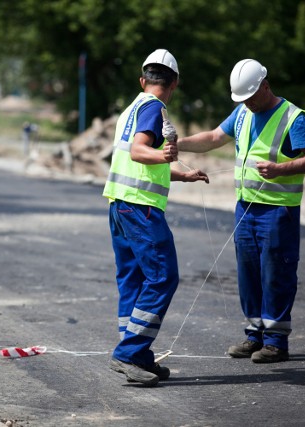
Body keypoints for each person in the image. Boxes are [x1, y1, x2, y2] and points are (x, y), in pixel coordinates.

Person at [178, 59, 305, 363]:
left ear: (265, 86)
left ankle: (275, 342)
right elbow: (214, 137)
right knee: (248, 274)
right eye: (242, 99)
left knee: (276, 273)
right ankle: (253, 334)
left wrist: (280, 169)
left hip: (278, 211)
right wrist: (179, 145)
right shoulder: (243, 113)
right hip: (245, 207)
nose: (246, 103)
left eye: (250, 97)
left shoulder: (292, 118)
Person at [103, 49, 209, 385]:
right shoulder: (154, 108)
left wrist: (181, 174)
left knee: (133, 281)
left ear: (143, 79)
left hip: (120, 204)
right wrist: (164, 153)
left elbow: (141, 162)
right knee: (163, 277)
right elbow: (139, 151)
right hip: (140, 210)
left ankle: (137, 355)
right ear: (174, 82)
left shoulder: (131, 109)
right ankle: (128, 353)